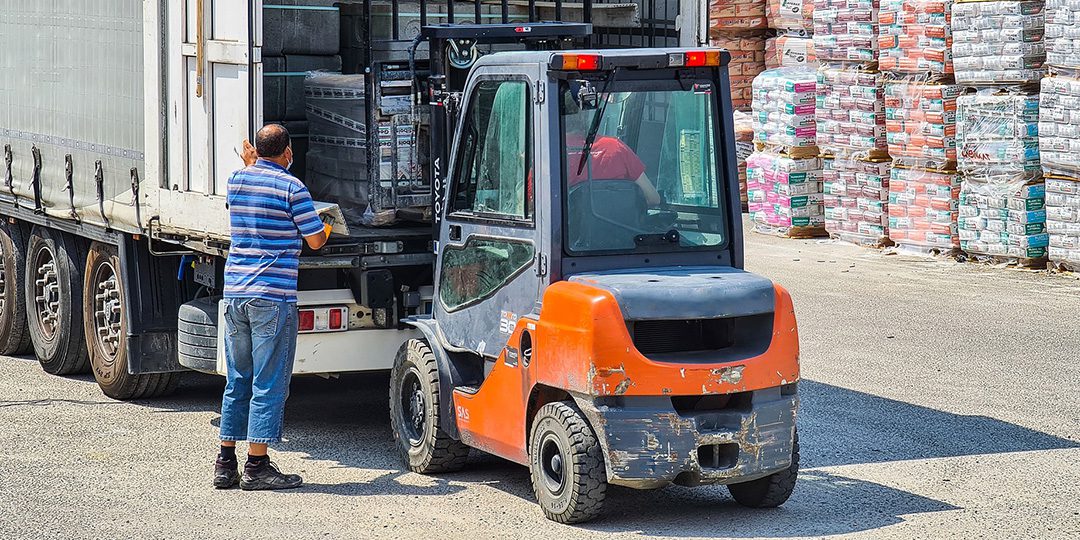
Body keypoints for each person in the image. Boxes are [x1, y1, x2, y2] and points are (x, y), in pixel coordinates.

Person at [213, 124, 331, 491]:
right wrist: (326, 224)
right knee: (268, 383)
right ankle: (257, 466)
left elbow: (242, 195)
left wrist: (251, 165)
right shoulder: (293, 188)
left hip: (235, 294)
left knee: (238, 380)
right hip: (272, 297)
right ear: (288, 152)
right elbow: (314, 241)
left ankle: (225, 463)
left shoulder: (236, 180)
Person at [562, 96, 663, 206]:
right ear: (585, 115)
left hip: (571, 223)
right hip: (620, 223)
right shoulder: (616, 148)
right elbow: (653, 199)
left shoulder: (551, 154)